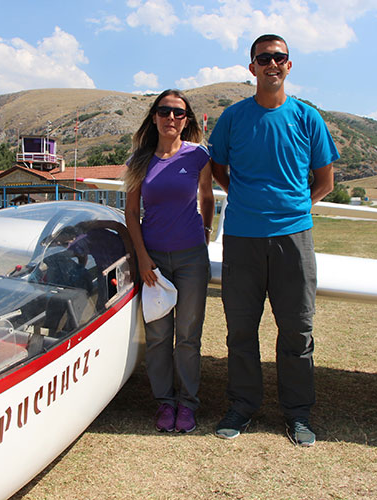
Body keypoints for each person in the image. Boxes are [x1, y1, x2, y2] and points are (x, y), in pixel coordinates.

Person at [208, 34, 339, 446]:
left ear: (289, 65)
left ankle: (297, 414)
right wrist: (248, 201)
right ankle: (242, 406)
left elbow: (325, 181)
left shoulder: (307, 118)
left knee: (297, 330)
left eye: (279, 57)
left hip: (293, 239)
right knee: (241, 330)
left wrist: (294, 207)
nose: (272, 64)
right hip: (243, 239)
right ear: (252, 68)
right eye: (264, 58)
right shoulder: (234, 118)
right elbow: (218, 168)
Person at [125, 89, 214, 433]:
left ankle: (188, 404)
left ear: (186, 119)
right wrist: (143, 259)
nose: (171, 118)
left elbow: (207, 197)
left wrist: (204, 233)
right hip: (154, 260)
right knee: (159, 335)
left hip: (192, 258)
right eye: (164, 111)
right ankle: (164, 402)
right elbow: (132, 214)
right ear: (154, 117)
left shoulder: (198, 157)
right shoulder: (139, 160)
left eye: (178, 113)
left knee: (188, 336)